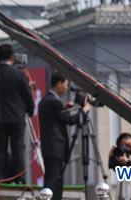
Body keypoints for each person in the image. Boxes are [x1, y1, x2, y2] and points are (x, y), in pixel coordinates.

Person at [0, 43, 34, 183]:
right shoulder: (19, 75)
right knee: (18, 149)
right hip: (17, 118)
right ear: (12, 57)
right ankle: (20, 178)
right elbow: (28, 96)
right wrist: (30, 110)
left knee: (0, 150)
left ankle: (0, 177)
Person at [38, 72, 91, 200]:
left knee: (55, 180)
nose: (67, 88)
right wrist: (84, 110)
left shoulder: (46, 100)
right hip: (55, 147)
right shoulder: (54, 102)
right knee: (53, 180)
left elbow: (59, 117)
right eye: (66, 84)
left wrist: (65, 107)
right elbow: (70, 120)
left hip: (50, 147)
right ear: (59, 84)